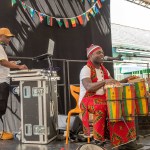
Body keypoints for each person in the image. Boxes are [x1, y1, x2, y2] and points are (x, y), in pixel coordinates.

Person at [79, 44, 143, 149]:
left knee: (123, 106)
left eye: (102, 52)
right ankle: (98, 141)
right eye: (98, 52)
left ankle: (126, 141)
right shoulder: (85, 69)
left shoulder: (105, 70)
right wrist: (105, 81)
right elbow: (89, 87)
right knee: (102, 107)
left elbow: (114, 83)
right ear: (90, 56)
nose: (102, 54)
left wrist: (127, 79)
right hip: (87, 99)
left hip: (103, 98)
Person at [0, 27, 28, 139]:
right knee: (1, 107)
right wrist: (18, 66)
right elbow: (2, 62)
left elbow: (3, 62)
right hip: (1, 81)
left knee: (1, 108)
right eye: (7, 37)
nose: (9, 40)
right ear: (1, 36)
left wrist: (11, 63)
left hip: (3, 81)